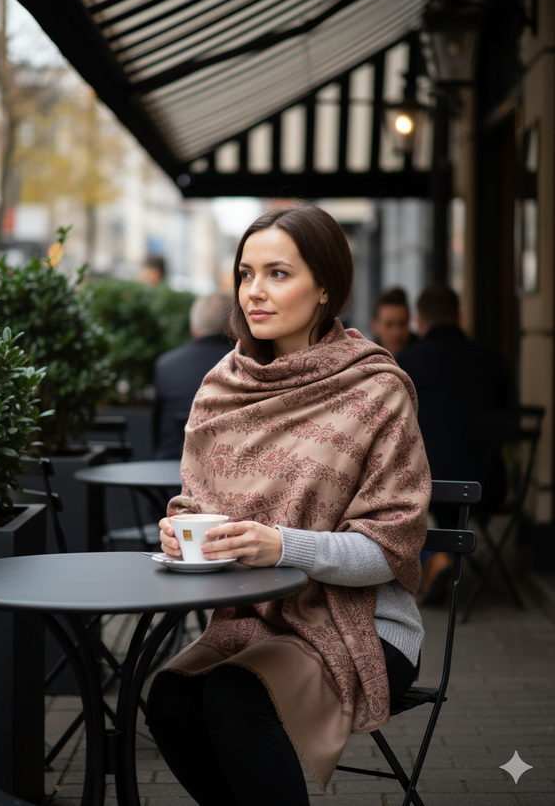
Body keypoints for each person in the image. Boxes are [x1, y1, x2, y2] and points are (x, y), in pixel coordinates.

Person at [145, 204, 431, 806]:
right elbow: (197, 503)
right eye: (245, 274)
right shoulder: (222, 387)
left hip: (367, 621)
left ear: (325, 286)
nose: (255, 292)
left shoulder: (375, 390)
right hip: (253, 616)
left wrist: (282, 545)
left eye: (278, 273)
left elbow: (392, 548)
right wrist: (180, 531)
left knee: (233, 696)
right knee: (169, 698)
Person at [397, 284, 509, 603]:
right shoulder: (493, 361)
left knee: (409, 487)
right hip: (485, 484)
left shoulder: (407, 360)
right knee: (450, 473)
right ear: (460, 317)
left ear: (419, 322)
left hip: (429, 484)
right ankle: (440, 556)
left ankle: (435, 558)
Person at [151, 292, 233, 460]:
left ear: (194, 329)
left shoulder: (166, 365)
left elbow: (157, 432)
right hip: (226, 476)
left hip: (168, 473)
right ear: (236, 327)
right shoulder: (248, 365)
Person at [370, 287, 418, 358]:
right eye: (389, 325)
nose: (397, 333)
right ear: (375, 326)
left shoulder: (423, 355)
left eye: (402, 324)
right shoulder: (366, 359)